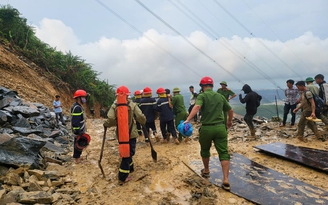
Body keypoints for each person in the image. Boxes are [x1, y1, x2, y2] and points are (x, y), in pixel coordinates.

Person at [184, 76, 233, 191]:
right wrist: (229, 121)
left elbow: (197, 106)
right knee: (224, 152)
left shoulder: (202, 95)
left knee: (205, 150)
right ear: (212, 86)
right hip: (221, 127)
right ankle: (225, 179)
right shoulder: (220, 96)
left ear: (202, 86)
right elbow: (230, 110)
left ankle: (206, 170)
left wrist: (188, 119)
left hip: (207, 128)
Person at [103, 86, 146, 184]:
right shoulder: (132, 104)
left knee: (125, 151)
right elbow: (140, 116)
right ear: (127, 95)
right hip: (131, 134)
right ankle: (122, 177)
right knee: (128, 154)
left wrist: (106, 124)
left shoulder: (114, 105)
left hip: (121, 134)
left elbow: (110, 119)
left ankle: (130, 168)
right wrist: (144, 122)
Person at [71, 89, 88, 164]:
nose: (84, 99)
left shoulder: (78, 106)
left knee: (79, 143)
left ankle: (78, 157)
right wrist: (78, 131)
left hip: (80, 129)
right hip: (78, 130)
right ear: (78, 98)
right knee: (78, 143)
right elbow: (75, 121)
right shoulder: (77, 108)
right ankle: (77, 159)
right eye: (83, 97)